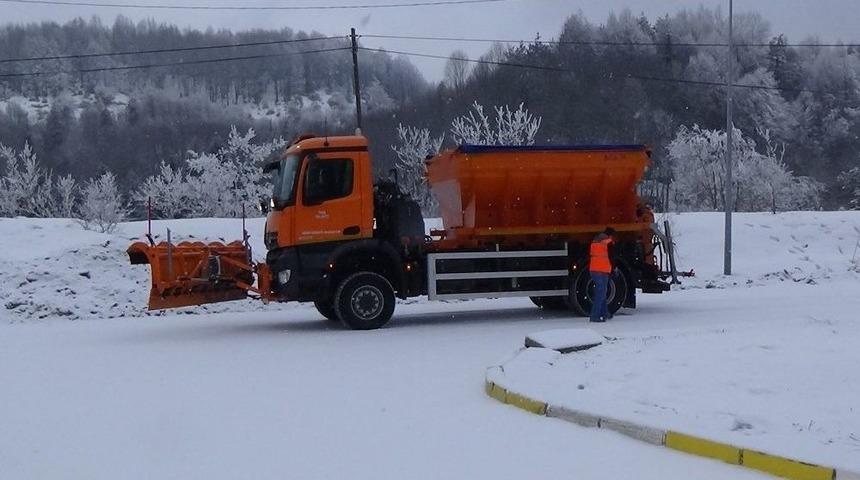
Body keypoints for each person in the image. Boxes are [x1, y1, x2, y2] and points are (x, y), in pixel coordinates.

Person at [589, 227, 615, 322]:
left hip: (594, 269)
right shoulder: (608, 242)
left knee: (601, 293)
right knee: (601, 294)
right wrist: (614, 269)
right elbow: (612, 256)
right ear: (610, 235)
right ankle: (594, 316)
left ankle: (604, 313)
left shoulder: (595, 240)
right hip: (603, 270)